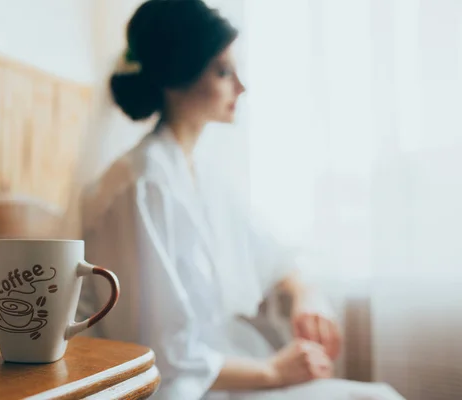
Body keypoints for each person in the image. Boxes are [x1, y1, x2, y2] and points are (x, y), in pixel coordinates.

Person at [79, 1, 405, 399]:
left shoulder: (202, 175)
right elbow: (157, 351)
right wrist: (272, 371)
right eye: (222, 71)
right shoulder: (142, 184)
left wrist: (303, 297)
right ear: (178, 74)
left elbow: (271, 256)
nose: (241, 86)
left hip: (223, 374)